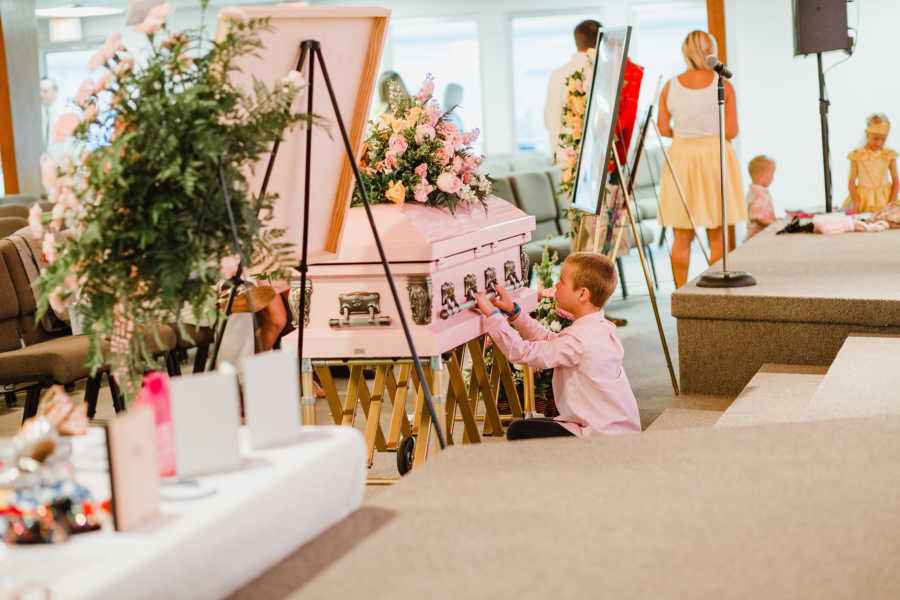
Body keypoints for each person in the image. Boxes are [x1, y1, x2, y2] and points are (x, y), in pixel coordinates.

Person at [473, 252, 641, 439]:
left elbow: (522, 353)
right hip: (617, 430)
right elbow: (549, 340)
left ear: (583, 294)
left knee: (518, 430)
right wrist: (515, 313)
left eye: (562, 281)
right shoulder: (596, 329)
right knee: (533, 423)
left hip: (599, 436)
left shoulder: (580, 340)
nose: (556, 286)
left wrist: (493, 316)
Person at [656, 30, 747, 288]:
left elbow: (662, 129)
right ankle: (715, 294)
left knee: (681, 236)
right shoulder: (724, 84)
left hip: (681, 158)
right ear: (711, 50)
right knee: (717, 235)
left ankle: (680, 290)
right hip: (715, 157)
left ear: (685, 52)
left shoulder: (669, 86)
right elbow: (731, 131)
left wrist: (685, 136)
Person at [544, 19, 601, 167]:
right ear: (602, 41)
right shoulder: (605, 74)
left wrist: (559, 155)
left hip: (565, 157)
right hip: (600, 161)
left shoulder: (557, 75)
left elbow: (550, 119)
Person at [845, 113, 898, 213]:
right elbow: (851, 181)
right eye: (875, 138)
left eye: (883, 139)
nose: (879, 143)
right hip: (864, 200)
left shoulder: (889, 155)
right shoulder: (857, 155)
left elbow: (896, 182)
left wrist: (892, 202)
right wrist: (856, 201)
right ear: (867, 134)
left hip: (885, 199)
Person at [746, 155, 777, 239]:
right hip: (757, 236)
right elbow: (757, 217)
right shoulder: (758, 193)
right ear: (761, 175)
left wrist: (775, 220)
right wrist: (774, 223)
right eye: (771, 174)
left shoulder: (755, 191)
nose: (772, 178)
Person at [40, 78, 64, 153]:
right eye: (40, 91)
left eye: (45, 91)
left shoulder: (64, 113)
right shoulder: (38, 113)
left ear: (55, 92)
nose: (41, 94)